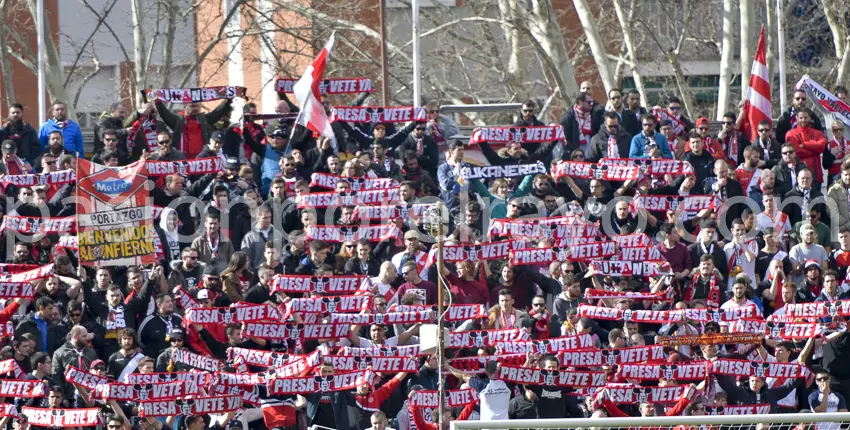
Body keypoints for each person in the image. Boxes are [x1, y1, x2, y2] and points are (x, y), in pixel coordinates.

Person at [154, 96, 232, 159]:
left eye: (197, 106)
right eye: (192, 106)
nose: (195, 108)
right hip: (181, 160)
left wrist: (228, 100)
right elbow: (164, 114)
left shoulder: (204, 120)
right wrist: (157, 101)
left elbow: (218, 111)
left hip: (201, 160)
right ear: (184, 105)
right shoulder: (178, 121)